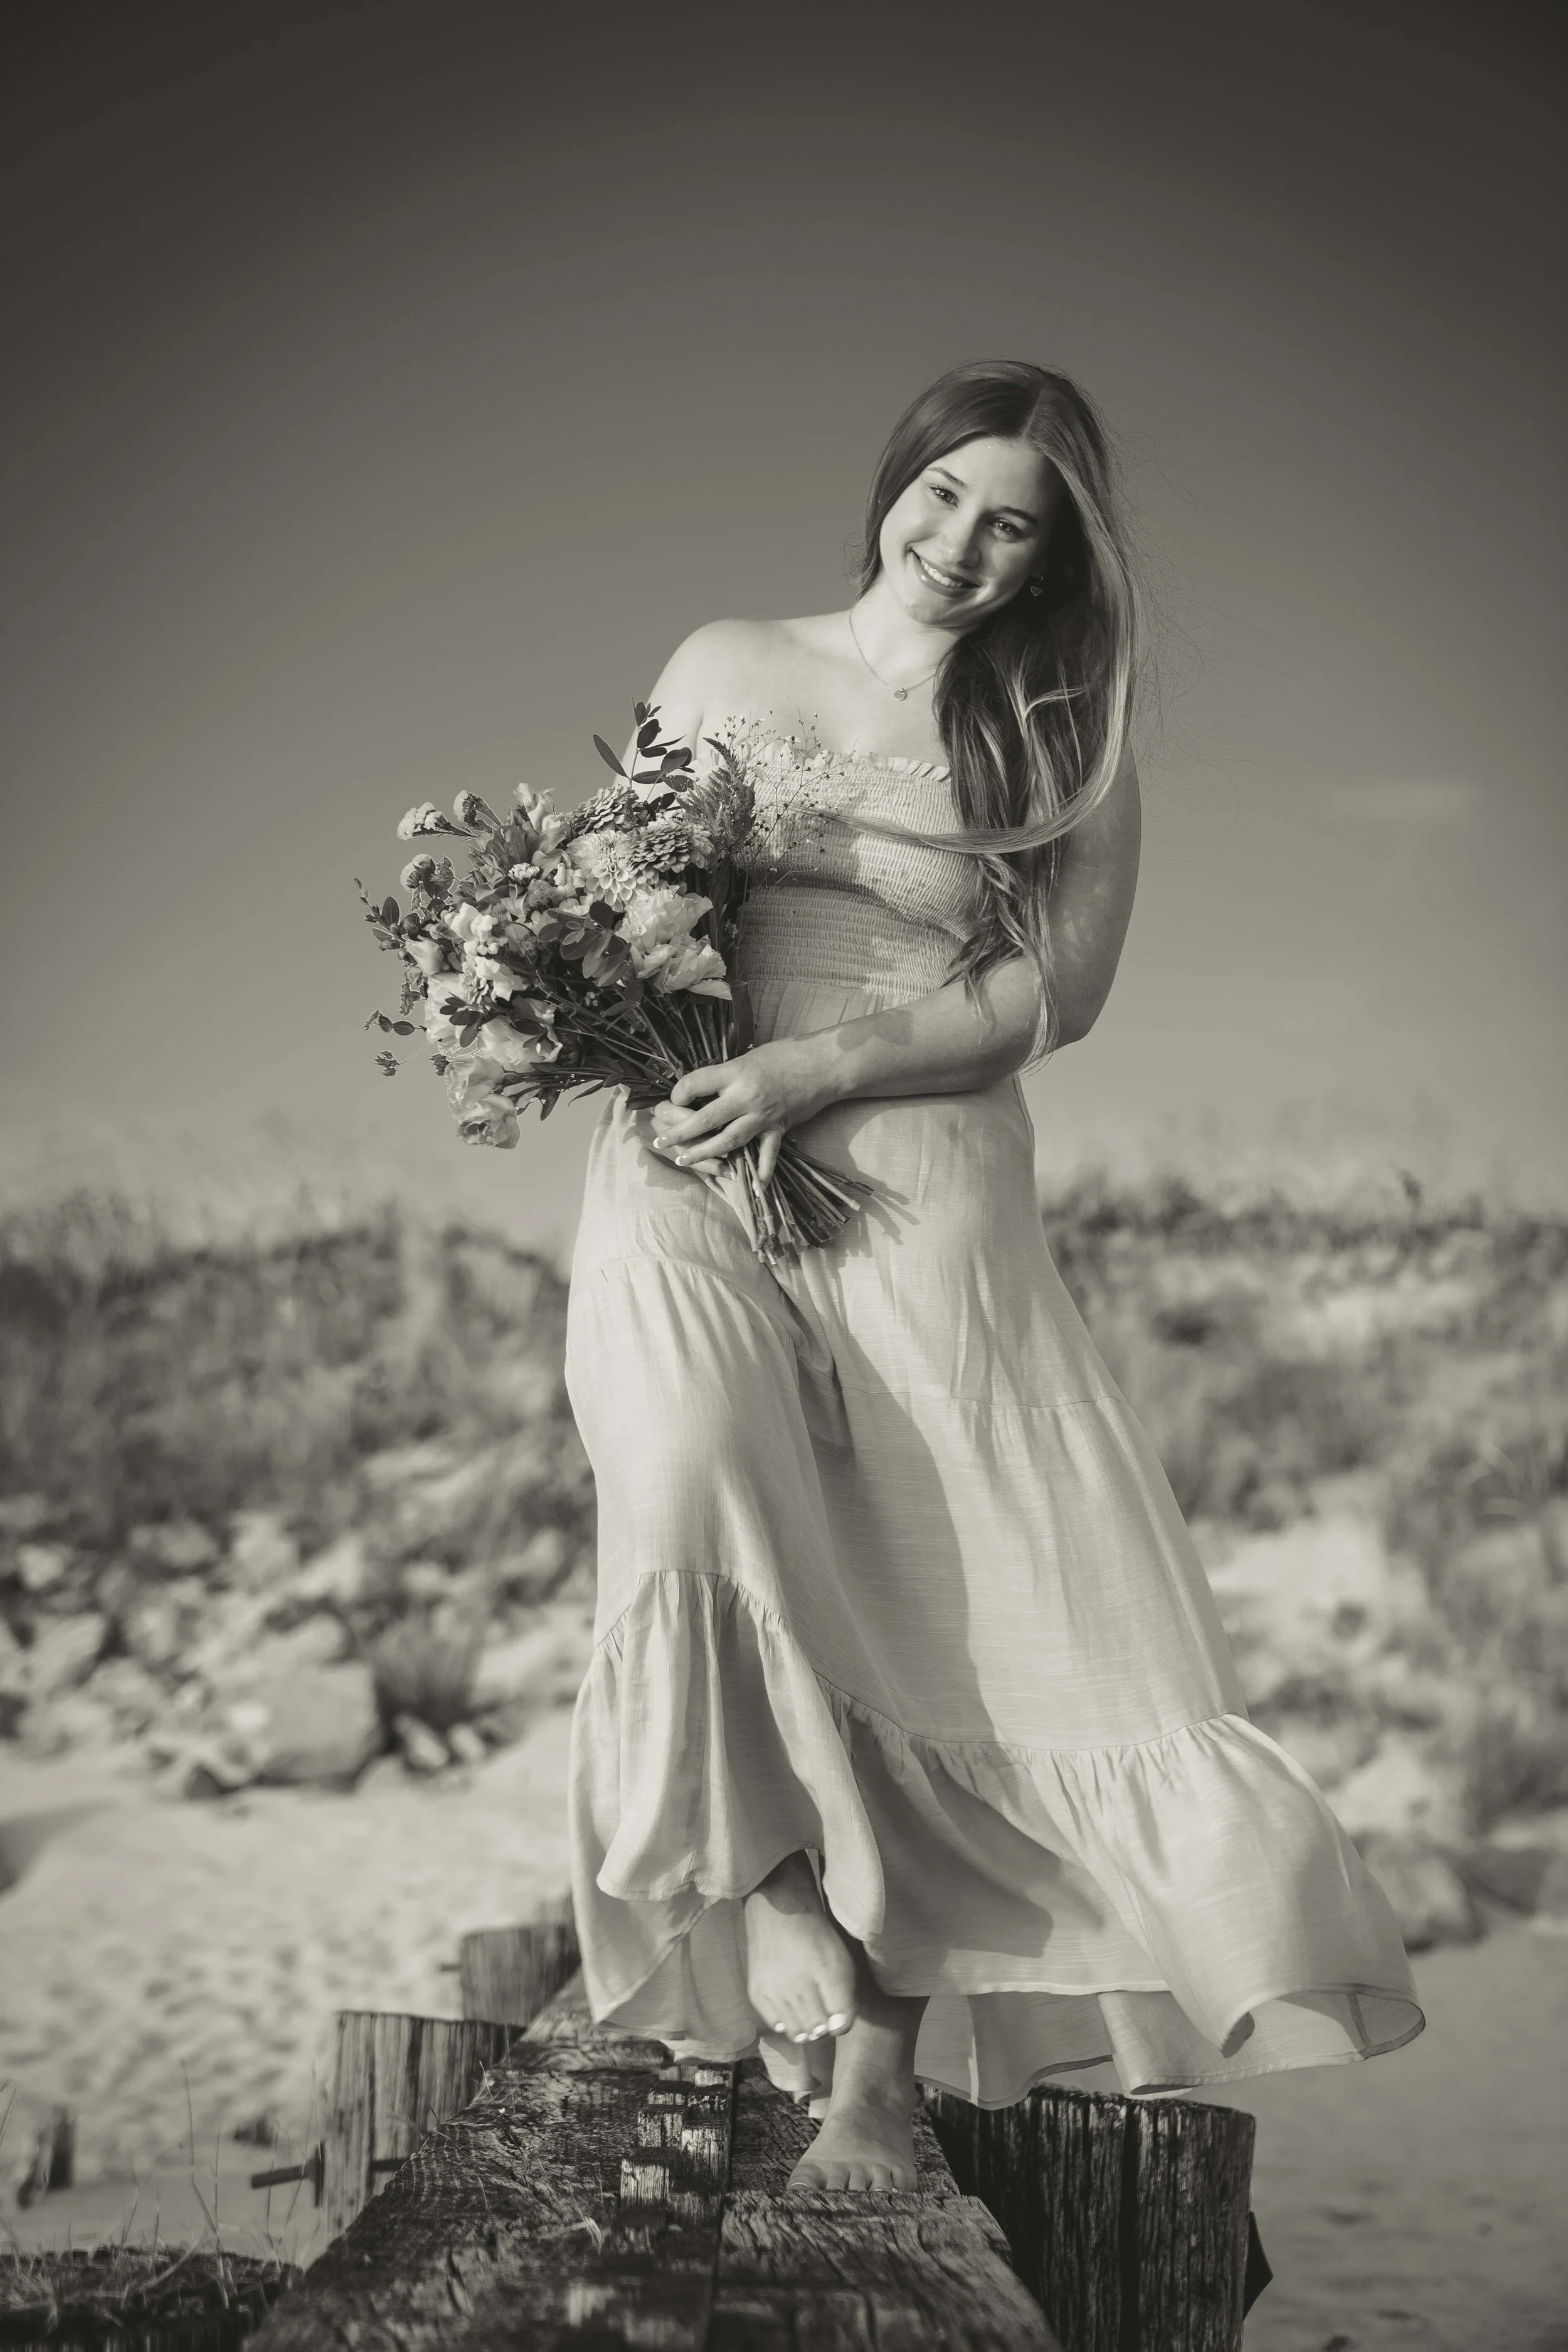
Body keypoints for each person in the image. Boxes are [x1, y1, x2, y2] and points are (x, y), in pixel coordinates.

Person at [564, 358, 1422, 2191]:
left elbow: (1058, 996)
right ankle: (771, 1881)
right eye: (942, 493)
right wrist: (633, 1036)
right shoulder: (724, 657)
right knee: (681, 1457)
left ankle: (871, 2070)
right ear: (895, 482)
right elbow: (625, 900)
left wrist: (825, 1070)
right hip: (690, 1140)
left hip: (918, 1170)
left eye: (1009, 520)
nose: (959, 541)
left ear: (1052, 556)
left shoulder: (1060, 742)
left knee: (923, 1597)